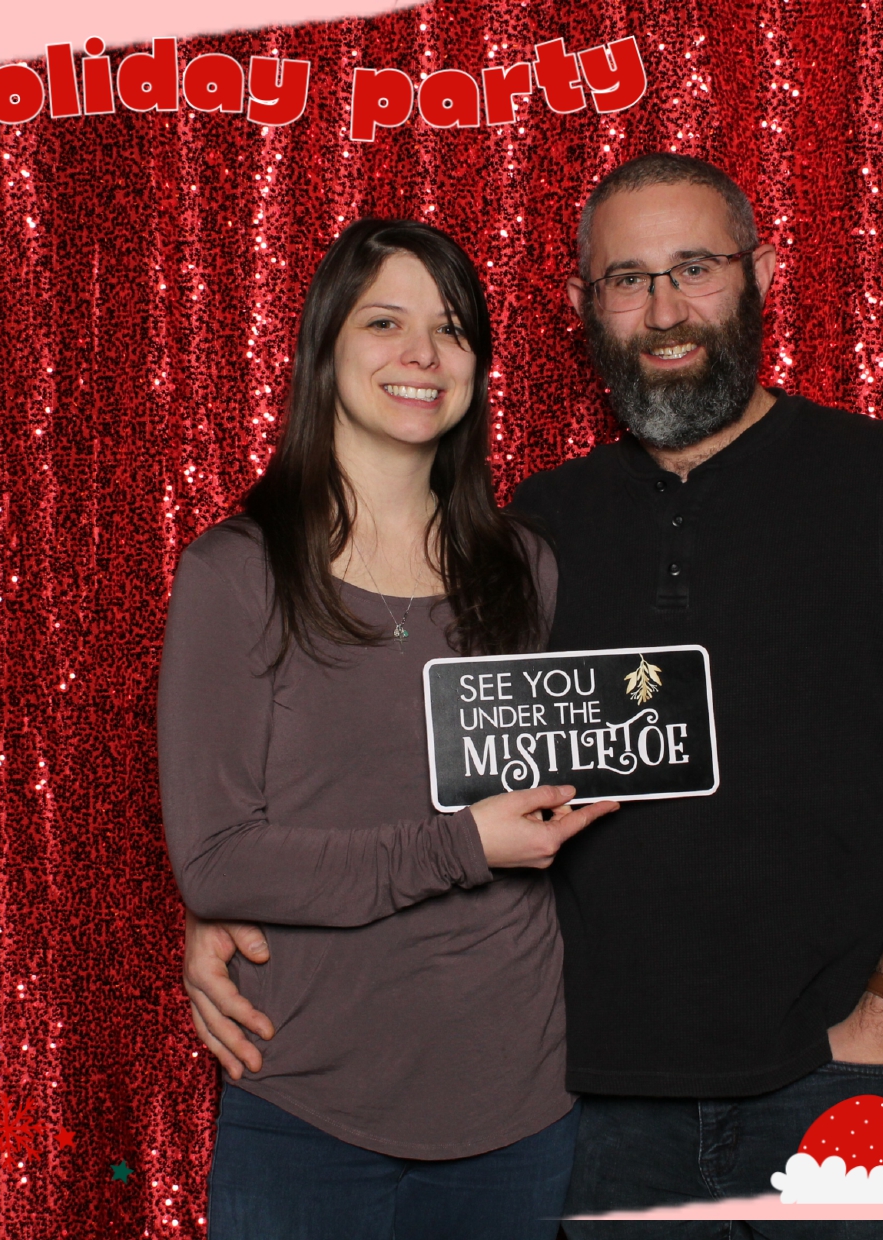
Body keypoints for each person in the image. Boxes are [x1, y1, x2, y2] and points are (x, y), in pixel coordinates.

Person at [183, 156, 883, 1238]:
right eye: (627, 279)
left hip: (839, 1083)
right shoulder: (533, 531)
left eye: (694, 268)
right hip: (597, 1111)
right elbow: (412, 762)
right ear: (581, 305)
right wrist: (229, 897)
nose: (663, 311)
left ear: (761, 275)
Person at [158, 217, 617, 1239]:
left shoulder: (527, 569)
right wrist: (461, 846)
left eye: (451, 329)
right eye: (384, 322)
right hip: (305, 1104)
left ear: (476, 368)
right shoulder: (236, 574)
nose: (422, 353)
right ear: (324, 346)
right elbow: (218, 862)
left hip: (520, 1104)